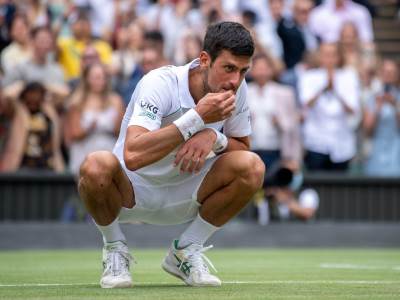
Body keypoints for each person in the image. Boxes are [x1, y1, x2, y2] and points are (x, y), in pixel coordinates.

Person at [78, 21, 265, 288]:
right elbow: (133, 154)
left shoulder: (237, 89)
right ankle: (114, 247)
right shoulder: (159, 82)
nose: (235, 81)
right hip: (130, 193)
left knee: (252, 167)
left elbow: (242, 146)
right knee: (96, 164)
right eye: (229, 68)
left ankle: (187, 249)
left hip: (188, 193)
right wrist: (197, 119)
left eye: (243, 71)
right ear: (204, 60)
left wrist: (214, 137)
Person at [298, 43, 360, 172]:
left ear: (338, 57)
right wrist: (324, 86)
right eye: (326, 55)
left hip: (342, 144)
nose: (329, 59)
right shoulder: (309, 76)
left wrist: (335, 88)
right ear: (320, 56)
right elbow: (306, 103)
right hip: (316, 142)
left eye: (333, 55)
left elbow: (353, 108)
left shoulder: (349, 76)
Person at [363, 60, 400, 176]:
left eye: (392, 72)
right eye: (385, 72)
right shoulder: (373, 98)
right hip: (377, 154)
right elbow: (368, 131)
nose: (388, 75)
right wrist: (377, 110)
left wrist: (395, 106)